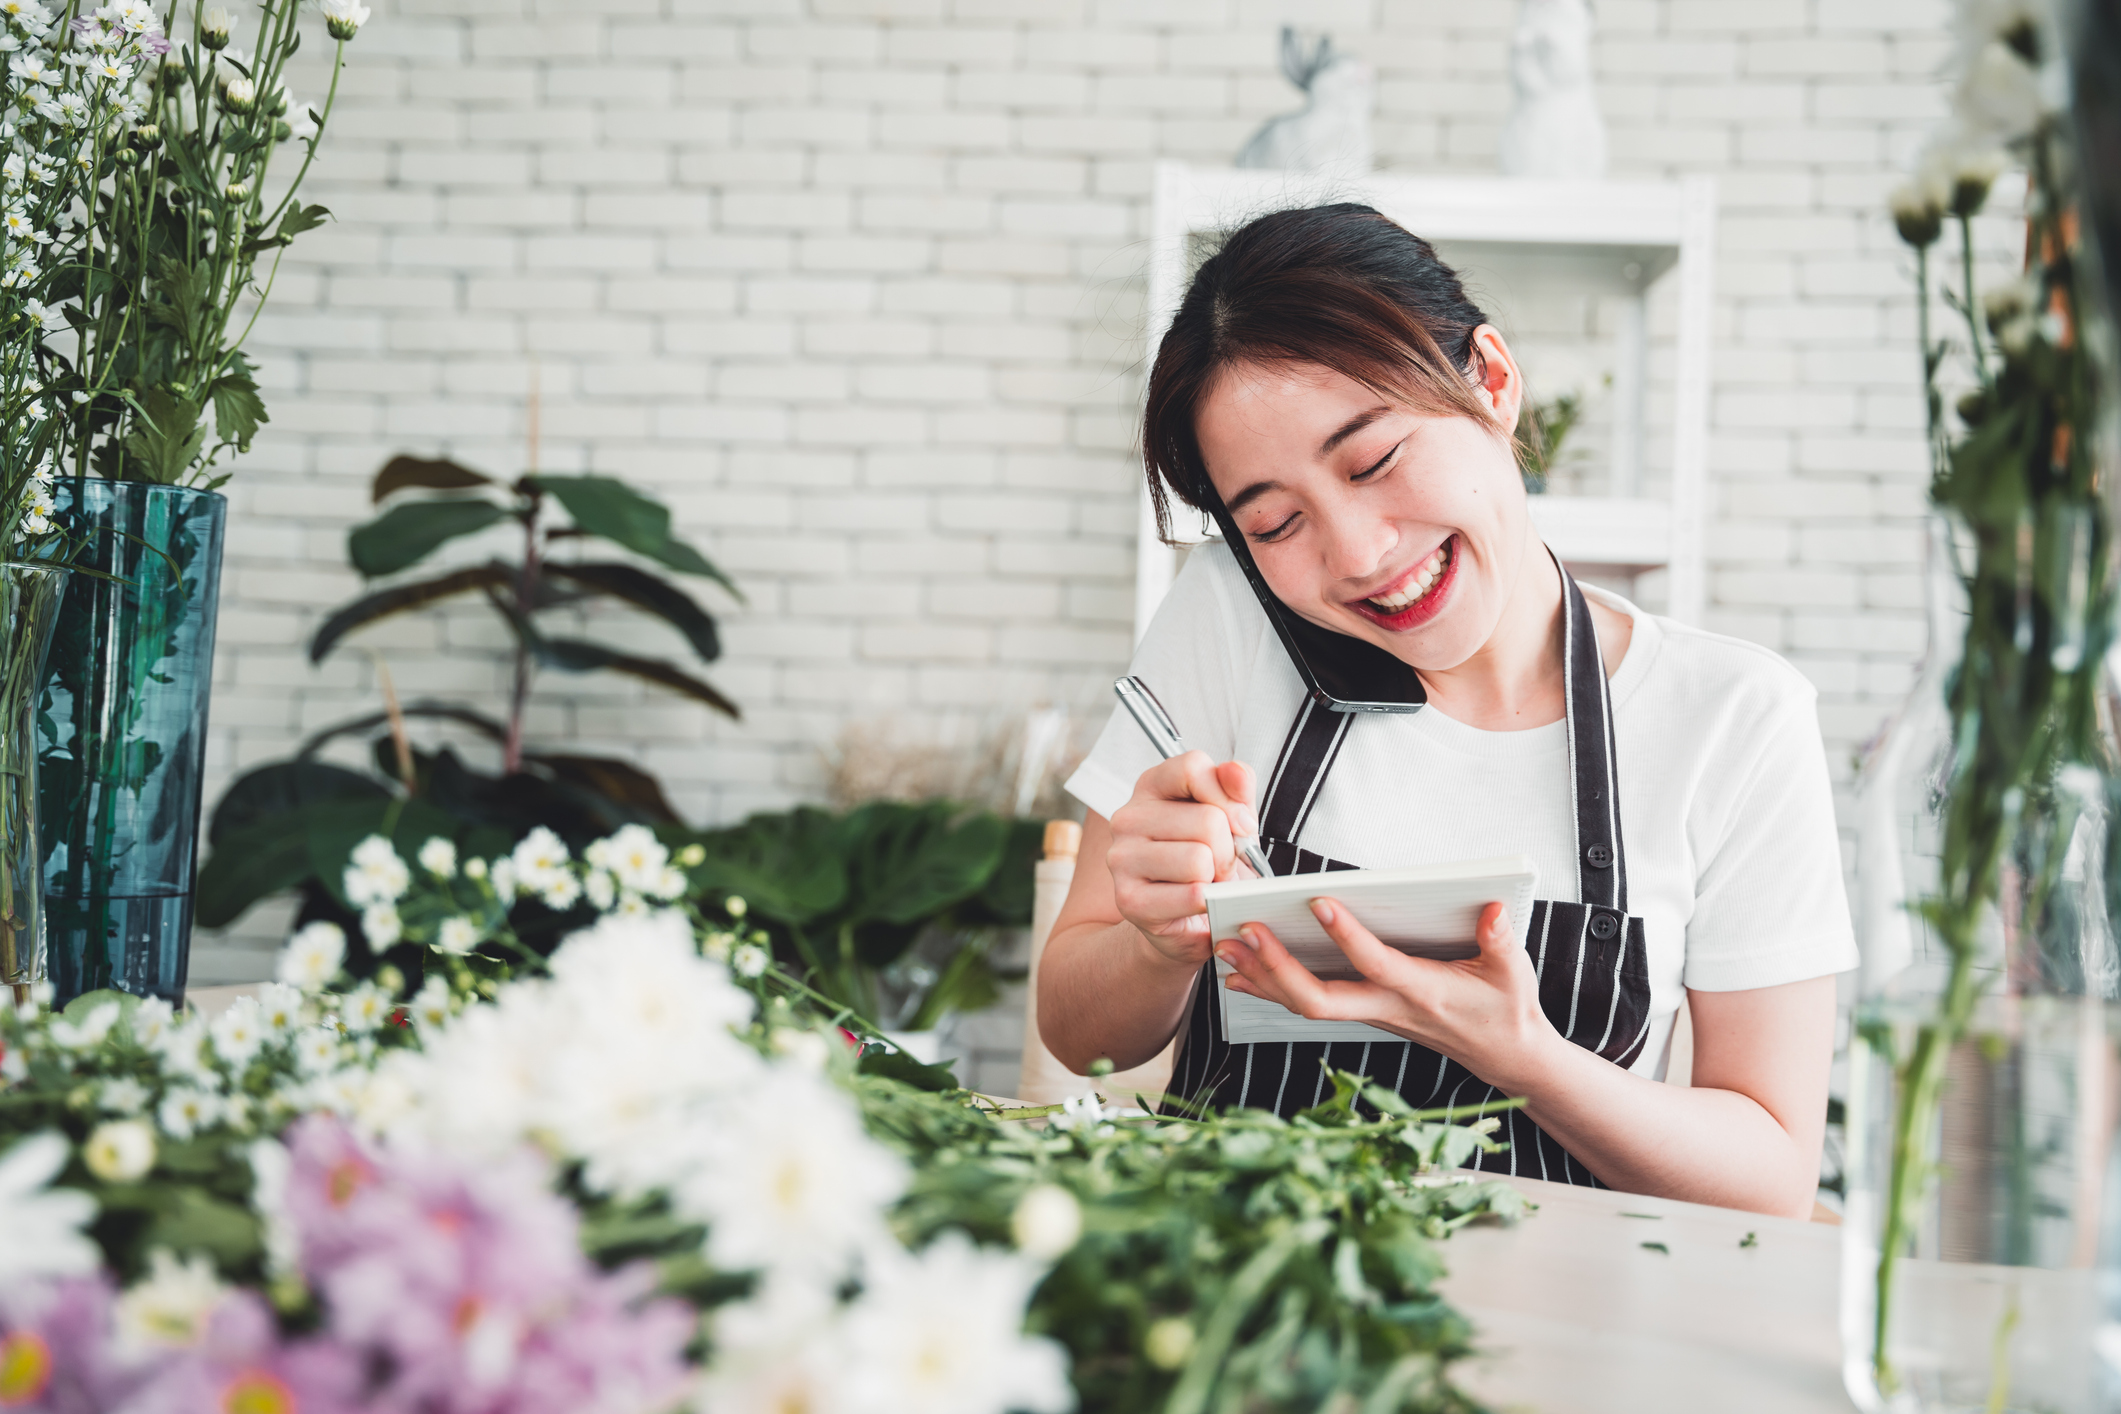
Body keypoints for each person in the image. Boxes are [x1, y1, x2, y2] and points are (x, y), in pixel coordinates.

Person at [1039, 204, 1857, 1219]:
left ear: (1494, 383)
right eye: (1277, 520)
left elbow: (1772, 1174)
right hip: (1238, 1309)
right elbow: (1082, 1034)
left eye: (1373, 459)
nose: (1357, 553)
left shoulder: (1732, 718)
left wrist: (1528, 1060)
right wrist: (1156, 943)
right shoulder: (1229, 618)